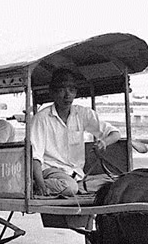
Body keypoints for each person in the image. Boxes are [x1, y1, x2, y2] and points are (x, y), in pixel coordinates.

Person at [30, 68, 120, 196]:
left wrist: (103, 143)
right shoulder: (41, 118)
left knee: (114, 183)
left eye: (71, 90)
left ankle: (80, 187)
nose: (67, 95)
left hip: (76, 175)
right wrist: (40, 184)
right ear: (52, 92)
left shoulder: (83, 114)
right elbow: (35, 157)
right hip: (51, 171)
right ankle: (33, 186)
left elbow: (115, 134)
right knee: (70, 188)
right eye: (61, 90)